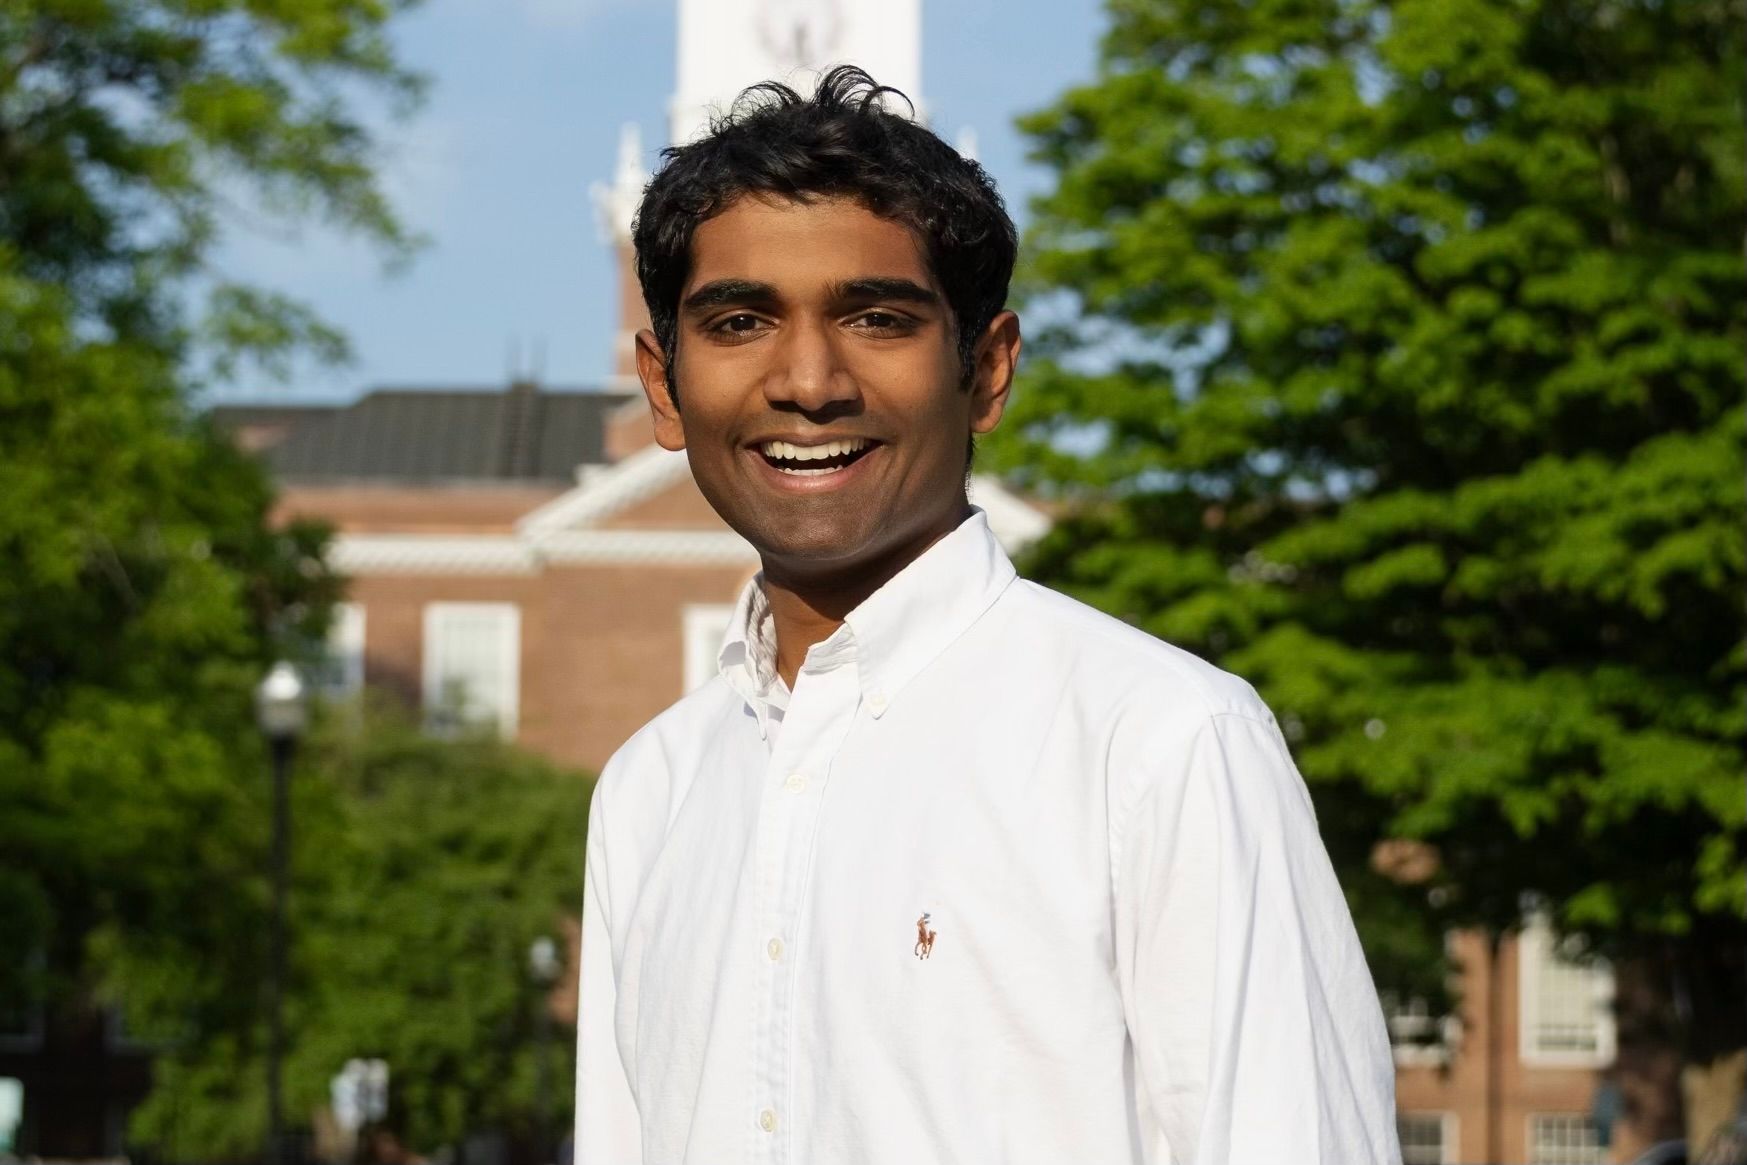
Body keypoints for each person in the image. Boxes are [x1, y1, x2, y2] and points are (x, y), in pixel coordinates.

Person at [574, 66, 1399, 1165]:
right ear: (665, 388)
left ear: (987, 371)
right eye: (738, 320)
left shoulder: (1158, 744)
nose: (808, 380)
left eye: (877, 318)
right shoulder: (651, 791)